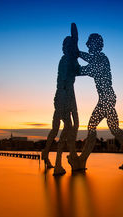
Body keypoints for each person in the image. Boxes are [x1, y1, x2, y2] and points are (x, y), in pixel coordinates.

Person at [69, 33, 123, 170]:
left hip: (107, 98)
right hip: (108, 98)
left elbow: (84, 69)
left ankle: (82, 160)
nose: (87, 45)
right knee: (114, 129)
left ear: (95, 44)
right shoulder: (98, 59)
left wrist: (75, 55)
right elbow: (85, 65)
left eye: (89, 42)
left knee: (91, 127)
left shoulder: (101, 59)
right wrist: (76, 54)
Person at [42, 23, 80, 176]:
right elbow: (64, 82)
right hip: (64, 95)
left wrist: (94, 70)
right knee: (64, 128)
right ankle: (58, 163)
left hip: (69, 94)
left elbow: (79, 71)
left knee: (70, 126)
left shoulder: (71, 60)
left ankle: (47, 154)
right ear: (67, 48)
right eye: (70, 46)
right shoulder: (65, 60)